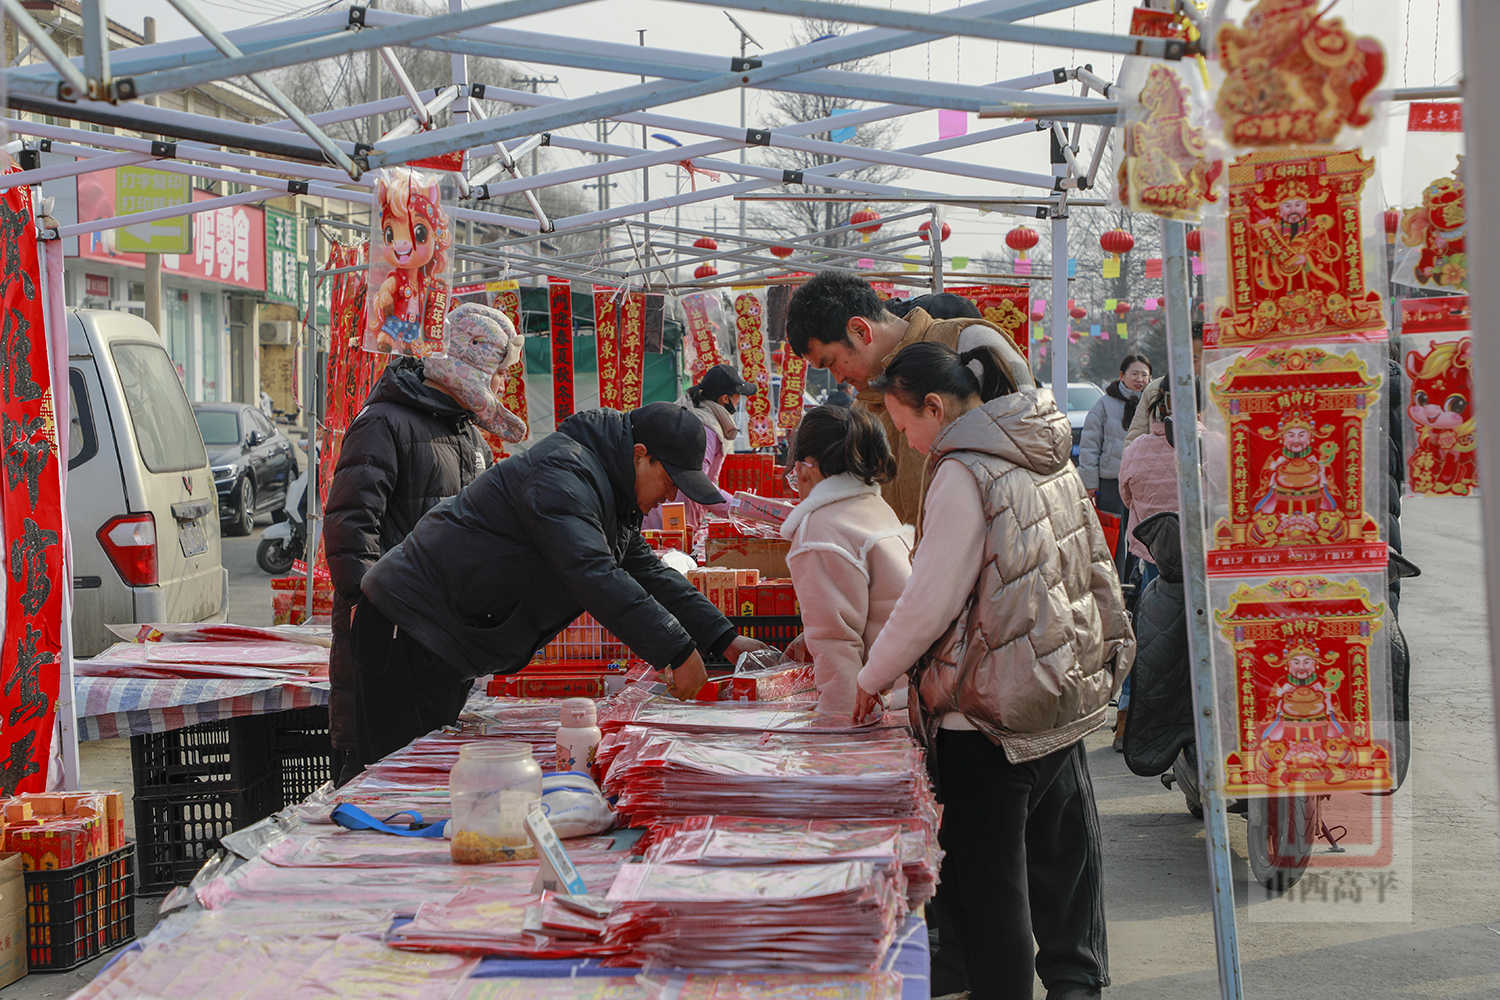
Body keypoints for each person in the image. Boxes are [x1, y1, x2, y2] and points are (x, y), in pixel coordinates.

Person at [853, 341, 1133, 1000]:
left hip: (988, 713)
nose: (910, 443)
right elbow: (1091, 568)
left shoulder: (963, 469)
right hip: (1054, 691)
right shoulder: (1043, 450)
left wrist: (872, 680)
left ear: (934, 405)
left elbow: (930, 599)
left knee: (991, 891)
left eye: (906, 426)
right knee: (1054, 865)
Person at [352, 402, 770, 766]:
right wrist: (677, 651)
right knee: (388, 773)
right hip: (408, 620)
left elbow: (648, 572)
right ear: (641, 456)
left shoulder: (607, 490)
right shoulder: (563, 472)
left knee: (423, 768)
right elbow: (593, 573)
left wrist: (725, 638)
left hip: (450, 630)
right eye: (670, 482)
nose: (670, 498)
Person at [323, 304, 525, 785]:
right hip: (389, 637)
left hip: (440, 635)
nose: (497, 390)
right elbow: (351, 524)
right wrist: (371, 608)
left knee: (430, 775)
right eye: (493, 378)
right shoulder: (385, 422)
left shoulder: (465, 433)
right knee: (377, 777)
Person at [786, 270, 1022, 526]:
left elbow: (1031, 447)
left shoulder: (966, 343)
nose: (839, 378)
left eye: (831, 363)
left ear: (860, 331)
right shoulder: (863, 408)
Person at [779, 405, 911, 718]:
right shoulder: (876, 508)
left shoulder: (818, 531)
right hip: (908, 693)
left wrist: (839, 735)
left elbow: (836, 645)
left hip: (879, 706)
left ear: (805, 468)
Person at [643, 363, 758, 532]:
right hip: (669, 522)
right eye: (737, 396)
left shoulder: (696, 415)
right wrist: (741, 508)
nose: (739, 400)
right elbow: (698, 487)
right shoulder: (705, 429)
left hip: (664, 515)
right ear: (725, 399)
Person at [1078, 354, 1153, 521]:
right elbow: (1090, 446)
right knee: (1114, 532)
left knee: (1142, 534)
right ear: (1122, 376)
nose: (1139, 379)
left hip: (1145, 480)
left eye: (1144, 375)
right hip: (1112, 481)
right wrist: (1090, 483)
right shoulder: (1104, 405)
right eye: (1134, 374)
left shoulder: (1153, 405)